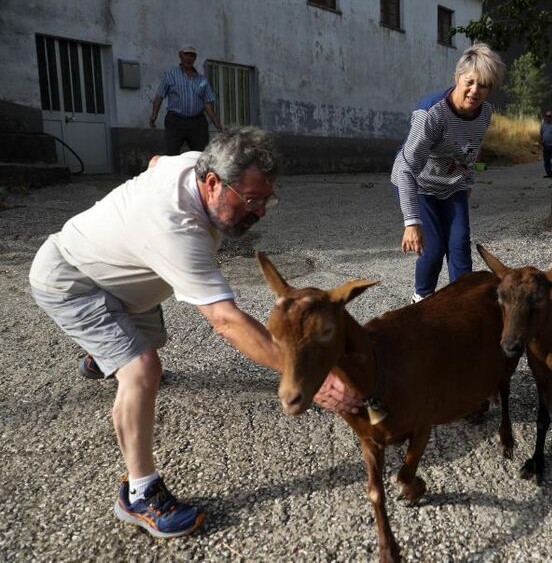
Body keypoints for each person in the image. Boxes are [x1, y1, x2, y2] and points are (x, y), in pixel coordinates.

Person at [28, 128, 361, 538]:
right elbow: (225, 321)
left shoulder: (194, 164)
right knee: (143, 370)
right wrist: (306, 377)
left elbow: (156, 162)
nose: (259, 212)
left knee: (150, 342)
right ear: (211, 183)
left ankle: (101, 356)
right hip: (73, 281)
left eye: (266, 199)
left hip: (121, 279)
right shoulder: (174, 229)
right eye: (251, 200)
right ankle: (139, 494)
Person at [390, 43, 506, 303]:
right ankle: (421, 299)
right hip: (418, 183)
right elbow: (406, 168)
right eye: (470, 81)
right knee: (433, 250)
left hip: (453, 185)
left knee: (459, 245)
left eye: (484, 85)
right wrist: (411, 222)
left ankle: (464, 303)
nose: (475, 90)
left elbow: (469, 152)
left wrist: (467, 183)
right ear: (457, 78)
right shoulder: (431, 113)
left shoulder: (484, 113)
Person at [148, 45, 225, 155]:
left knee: (201, 155)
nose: (189, 58)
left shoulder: (202, 80)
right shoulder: (170, 75)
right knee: (172, 155)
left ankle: (200, 172)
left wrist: (218, 126)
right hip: (175, 121)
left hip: (197, 123)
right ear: (180, 56)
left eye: (192, 55)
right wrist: (154, 114)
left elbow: (208, 105)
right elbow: (160, 95)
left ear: (195, 58)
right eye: (186, 54)